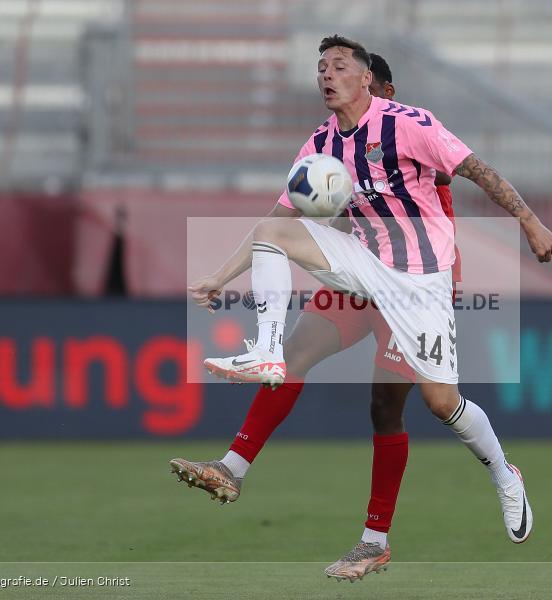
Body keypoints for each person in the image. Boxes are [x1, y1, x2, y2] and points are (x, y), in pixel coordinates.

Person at [183, 35, 552, 578]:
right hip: (361, 266)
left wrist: (529, 221)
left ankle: (503, 475)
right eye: (321, 67)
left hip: (419, 284)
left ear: (373, 84)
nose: (326, 75)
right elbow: (284, 212)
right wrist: (221, 276)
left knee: (430, 405)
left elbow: (476, 170)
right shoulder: (321, 145)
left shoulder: (409, 126)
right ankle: (236, 454)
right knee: (280, 270)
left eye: (339, 66)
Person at [173, 53, 461, 581]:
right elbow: (278, 221)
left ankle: (375, 538)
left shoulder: (416, 150)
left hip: (411, 292)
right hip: (361, 285)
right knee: (292, 356)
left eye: (377, 89)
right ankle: (231, 468)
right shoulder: (332, 148)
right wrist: (222, 274)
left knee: (386, 408)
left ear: (381, 89)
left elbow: (430, 238)